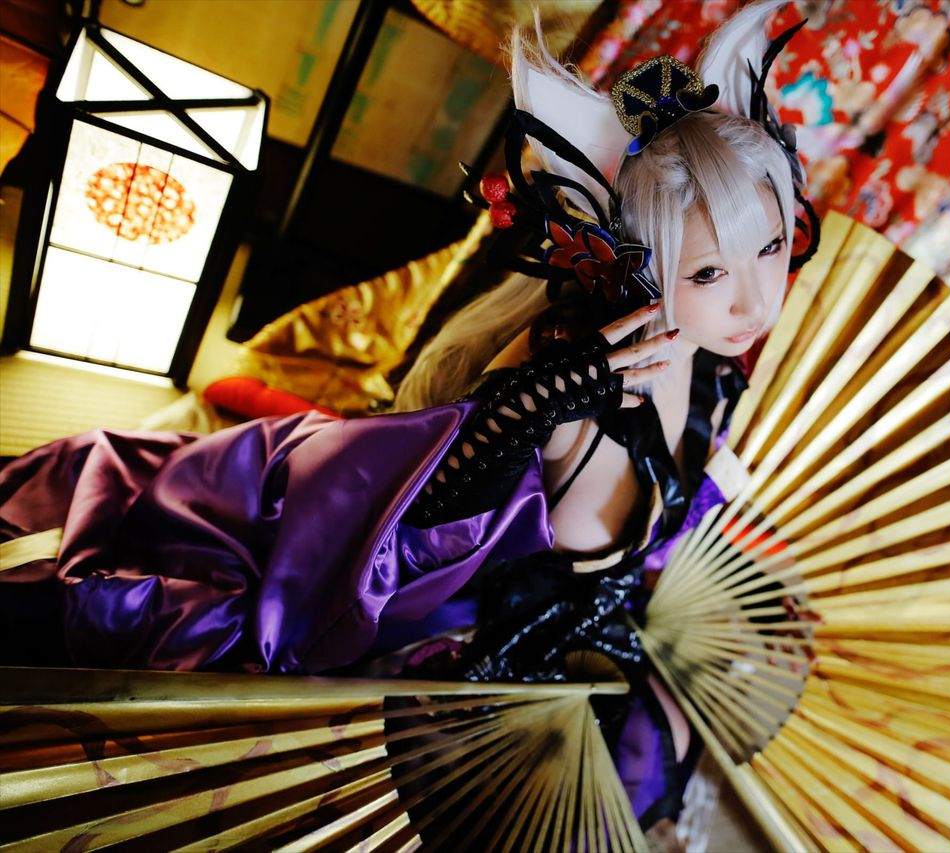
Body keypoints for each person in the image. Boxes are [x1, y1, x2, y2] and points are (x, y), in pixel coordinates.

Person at [0, 0, 819, 834]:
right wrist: (532, 406)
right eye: (708, 272)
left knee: (675, 738)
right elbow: (412, 528)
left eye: (769, 246)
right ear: (628, 259)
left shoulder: (713, 366)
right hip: (467, 650)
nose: (756, 301)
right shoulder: (558, 391)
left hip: (588, 634)